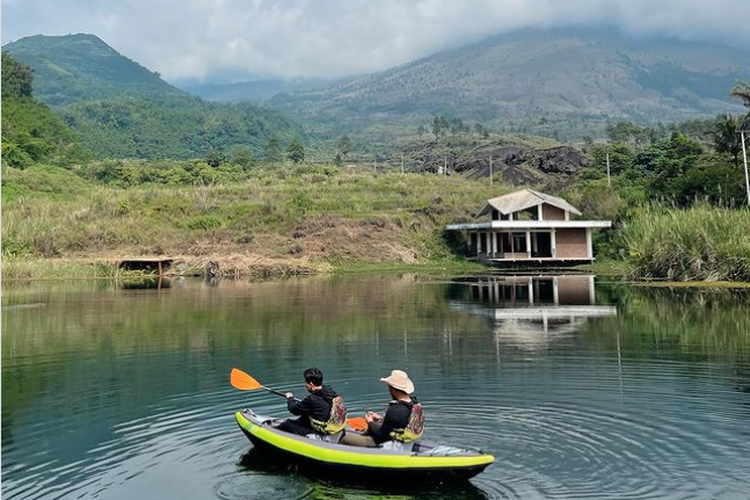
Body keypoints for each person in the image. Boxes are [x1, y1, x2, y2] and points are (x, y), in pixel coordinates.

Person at [341, 369, 424, 447]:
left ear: (393, 389)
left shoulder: (395, 409)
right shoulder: (413, 404)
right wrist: (381, 418)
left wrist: (370, 421)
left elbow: (381, 433)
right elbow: (401, 421)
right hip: (402, 439)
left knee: (345, 438)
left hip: (384, 442)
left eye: (389, 387)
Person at [276, 367, 347, 436]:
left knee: (287, 423)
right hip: (335, 425)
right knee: (306, 414)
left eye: (306, 383)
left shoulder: (311, 399)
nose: (305, 385)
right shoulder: (330, 391)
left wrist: (290, 398)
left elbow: (294, 410)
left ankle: (273, 432)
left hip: (325, 429)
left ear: (311, 384)